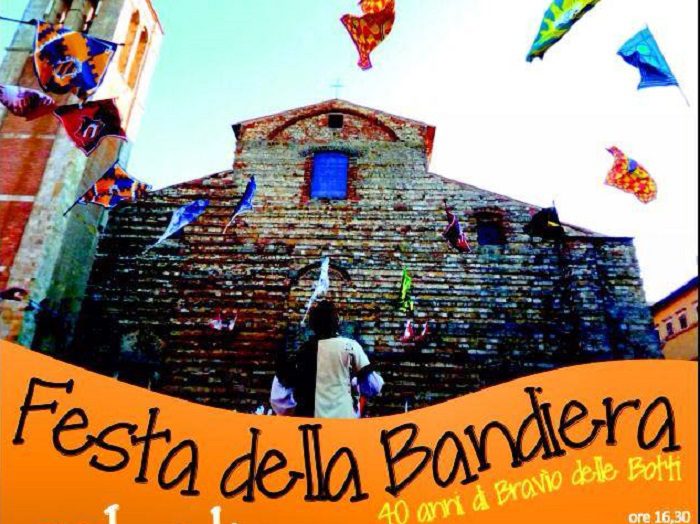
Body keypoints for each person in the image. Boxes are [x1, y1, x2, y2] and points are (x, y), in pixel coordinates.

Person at [271, 300, 383, 418]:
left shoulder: (301, 352)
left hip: (309, 423)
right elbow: (374, 386)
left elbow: (279, 398)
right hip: (344, 422)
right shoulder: (351, 347)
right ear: (337, 322)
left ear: (312, 324)